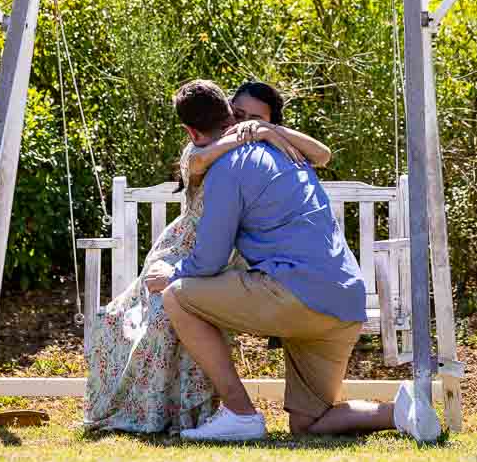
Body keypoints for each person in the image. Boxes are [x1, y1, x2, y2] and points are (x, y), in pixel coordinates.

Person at [147, 80, 440, 444]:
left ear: (191, 131)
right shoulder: (286, 152)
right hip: (342, 303)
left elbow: (209, 260)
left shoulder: (227, 167)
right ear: (230, 114)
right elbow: (318, 154)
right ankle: (403, 412)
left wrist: (171, 273)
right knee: (308, 423)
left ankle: (240, 413)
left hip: (295, 296)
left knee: (177, 295)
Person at [83, 79, 330, 434]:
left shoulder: (267, 152)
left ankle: (197, 414)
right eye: (238, 114)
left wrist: (265, 131)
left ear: (273, 121)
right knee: (139, 314)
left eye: (254, 118)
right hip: (182, 252)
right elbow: (197, 160)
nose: (243, 123)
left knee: (177, 309)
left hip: (228, 263)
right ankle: (154, 413)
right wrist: (252, 133)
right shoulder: (207, 148)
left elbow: (322, 155)